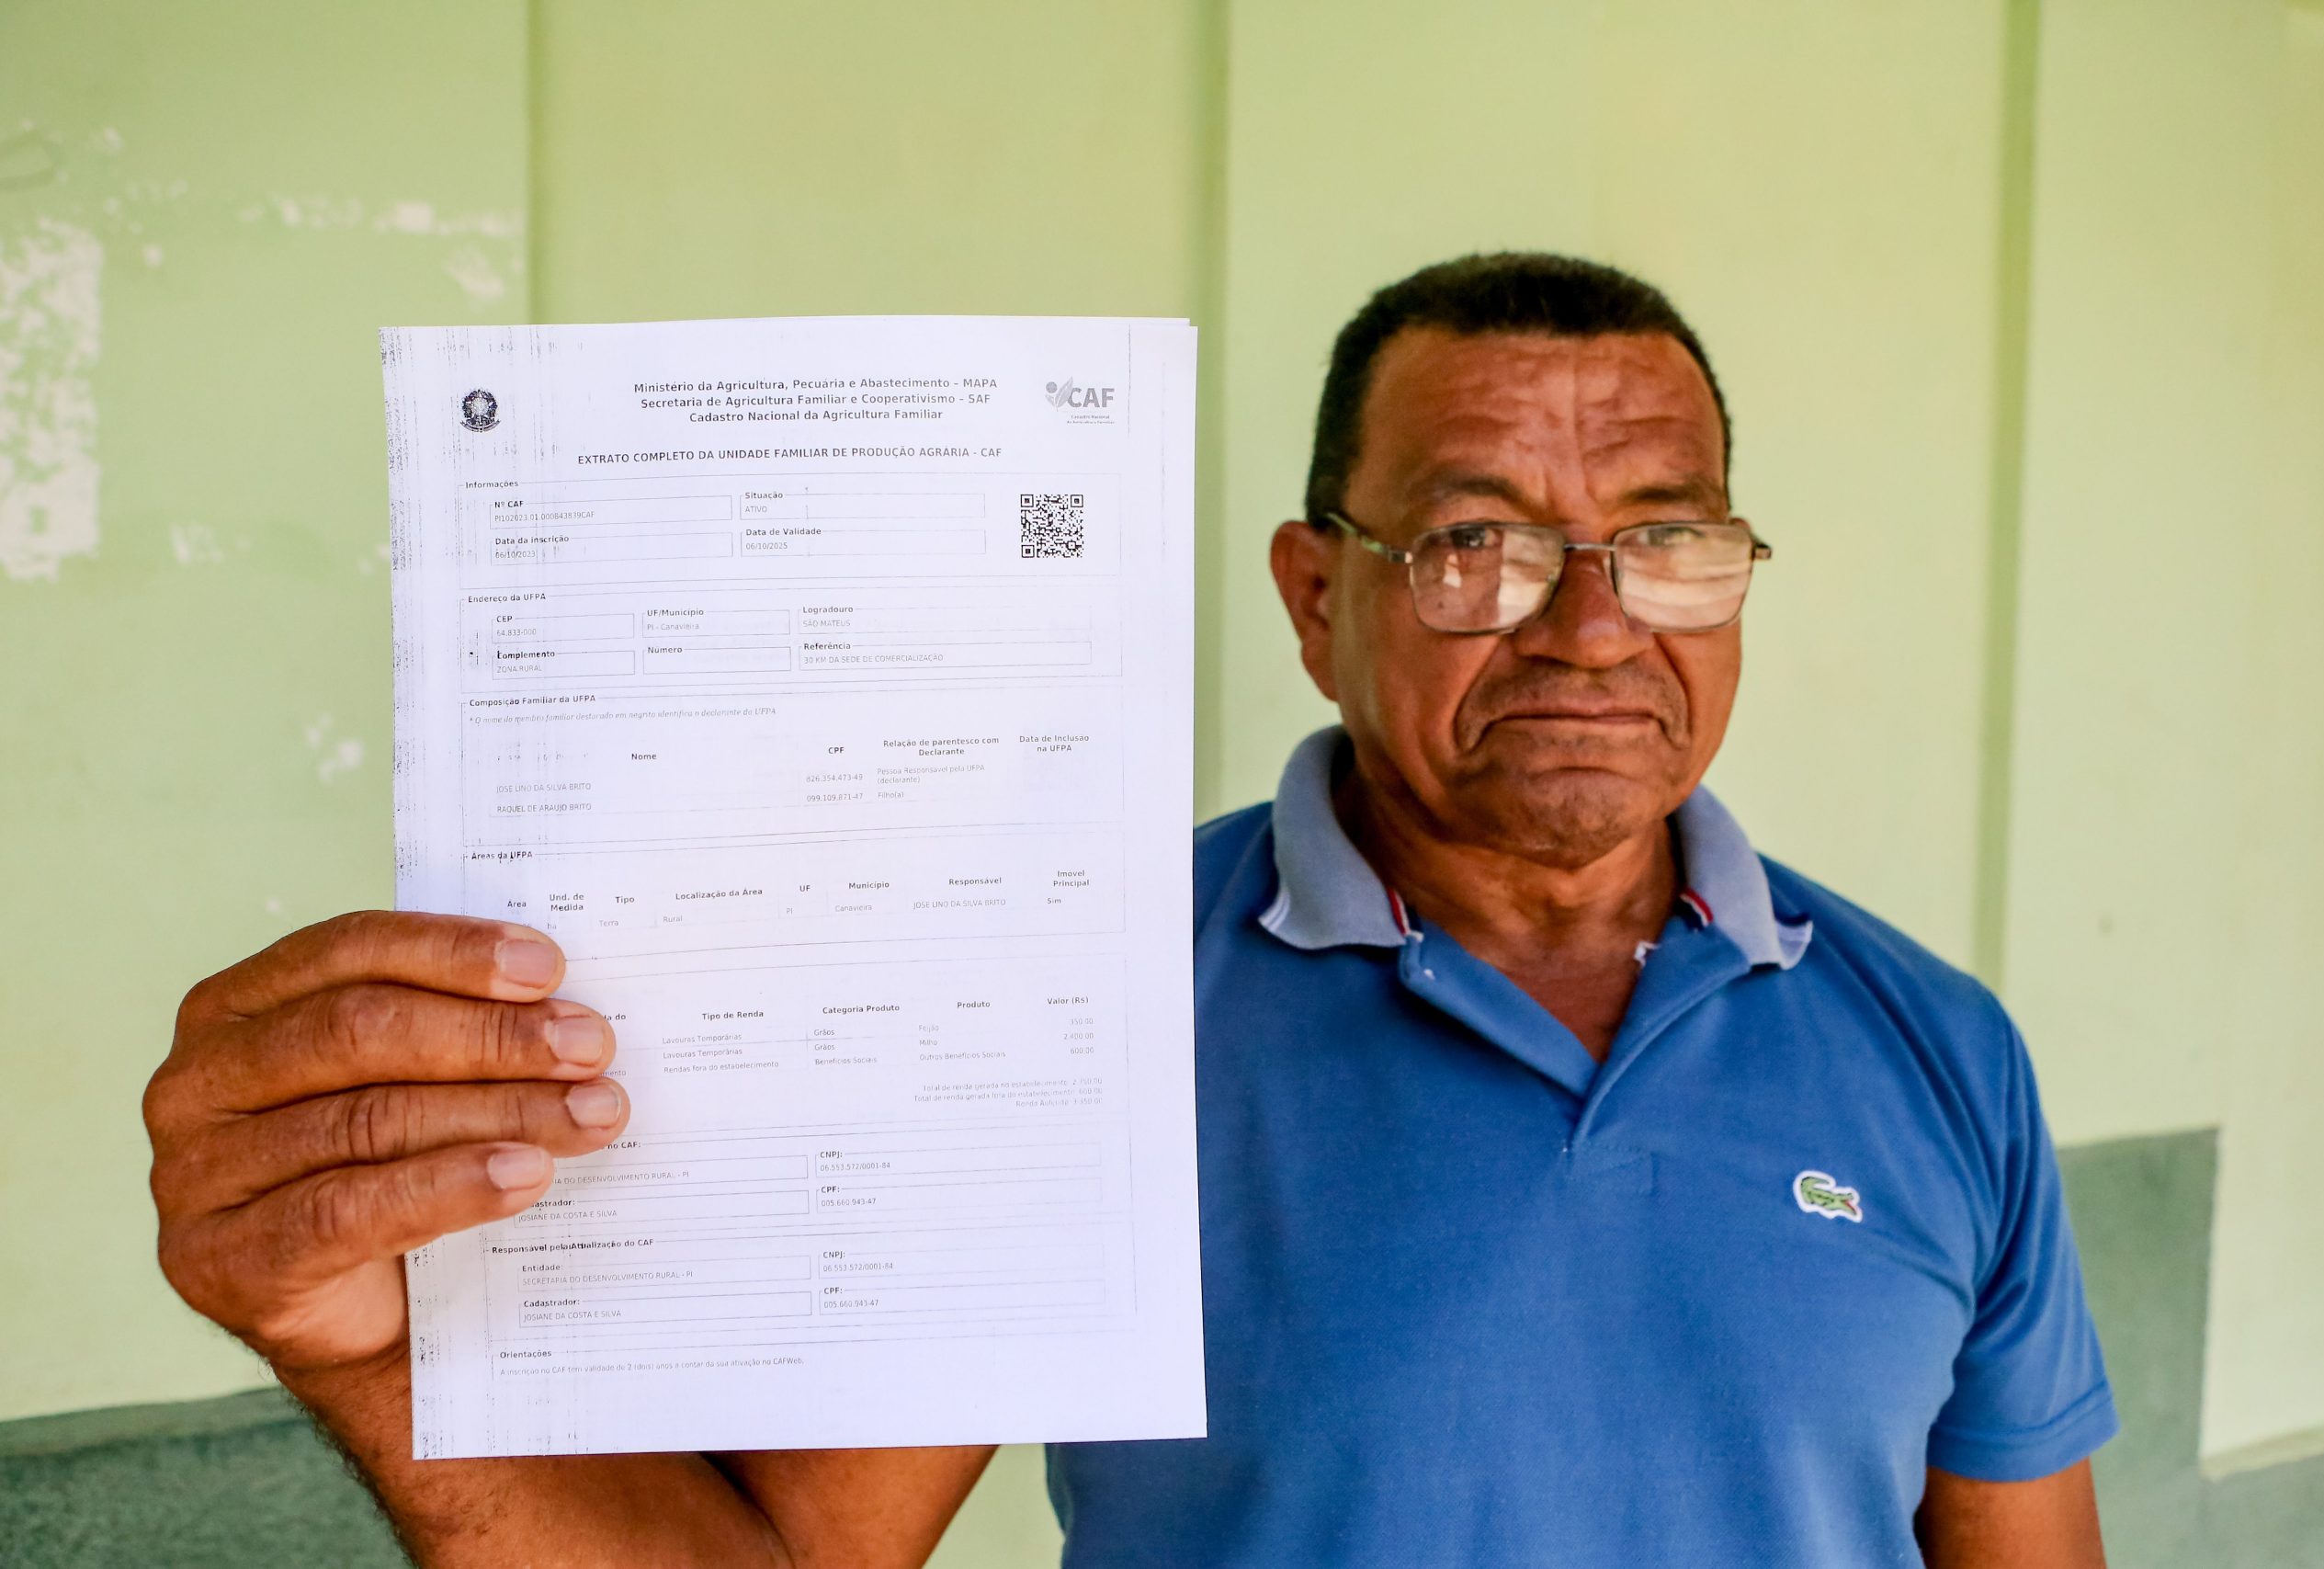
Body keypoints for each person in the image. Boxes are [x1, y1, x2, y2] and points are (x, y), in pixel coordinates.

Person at [144, 253, 2115, 1566]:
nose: (1591, 626)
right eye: (1474, 542)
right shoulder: (1072, 1005)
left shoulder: (1935, 1050)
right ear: (1310, 596)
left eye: (1665, 538)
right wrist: (364, 1357)